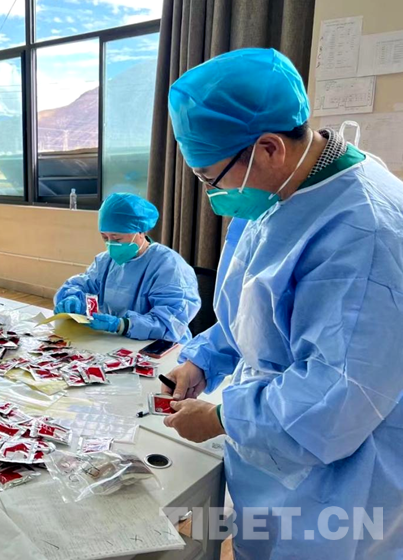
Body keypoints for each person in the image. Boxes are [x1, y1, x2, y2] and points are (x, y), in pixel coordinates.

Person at [162, 48, 403, 558]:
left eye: (209, 178)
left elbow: (338, 394)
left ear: (269, 147)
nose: (212, 193)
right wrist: (204, 358)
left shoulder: (365, 233)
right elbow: (256, 307)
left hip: (341, 473)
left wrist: (223, 418)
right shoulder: (282, 192)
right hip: (276, 446)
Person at [54, 193, 200, 342]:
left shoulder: (169, 266)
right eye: (105, 237)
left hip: (160, 345)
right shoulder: (105, 261)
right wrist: (71, 298)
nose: (111, 244)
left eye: (117, 238)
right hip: (115, 341)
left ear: (140, 231)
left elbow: (171, 322)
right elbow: (82, 285)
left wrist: (123, 325)